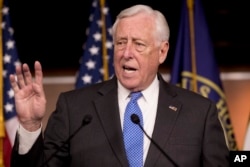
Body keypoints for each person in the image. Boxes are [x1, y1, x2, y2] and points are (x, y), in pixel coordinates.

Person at [10, 4, 229, 167]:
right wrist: (29, 125)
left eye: (139, 44)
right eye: (121, 43)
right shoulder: (74, 109)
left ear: (162, 51)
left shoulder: (199, 113)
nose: (126, 54)